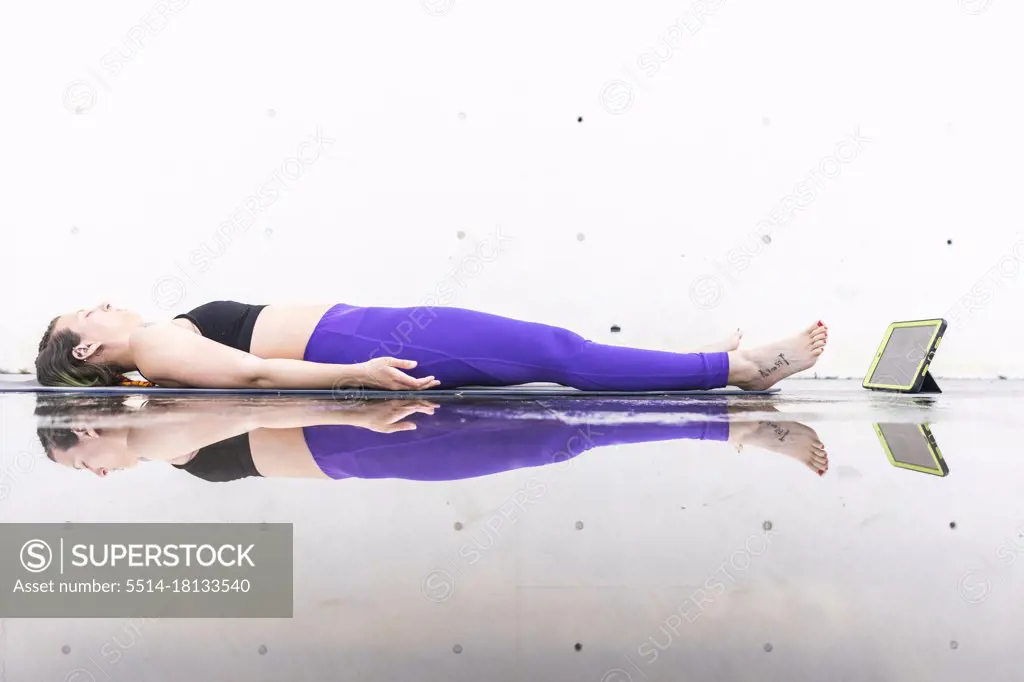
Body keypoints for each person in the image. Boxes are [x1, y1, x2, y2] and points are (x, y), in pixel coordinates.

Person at [34, 300, 828, 390]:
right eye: (89, 315)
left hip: (363, 326)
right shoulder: (155, 345)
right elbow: (248, 372)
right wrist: (358, 371)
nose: (105, 305)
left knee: (549, 348)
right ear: (86, 351)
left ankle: (702, 362)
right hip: (361, 338)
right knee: (554, 353)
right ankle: (739, 368)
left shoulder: (155, 342)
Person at [36, 398, 830, 481]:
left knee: (556, 420)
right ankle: (730, 421)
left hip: (355, 436)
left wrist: (348, 399)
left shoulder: (163, 411)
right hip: (358, 459)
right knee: (552, 443)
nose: (97, 476)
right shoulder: (167, 450)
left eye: (83, 466)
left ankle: (732, 389)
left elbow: (257, 399)